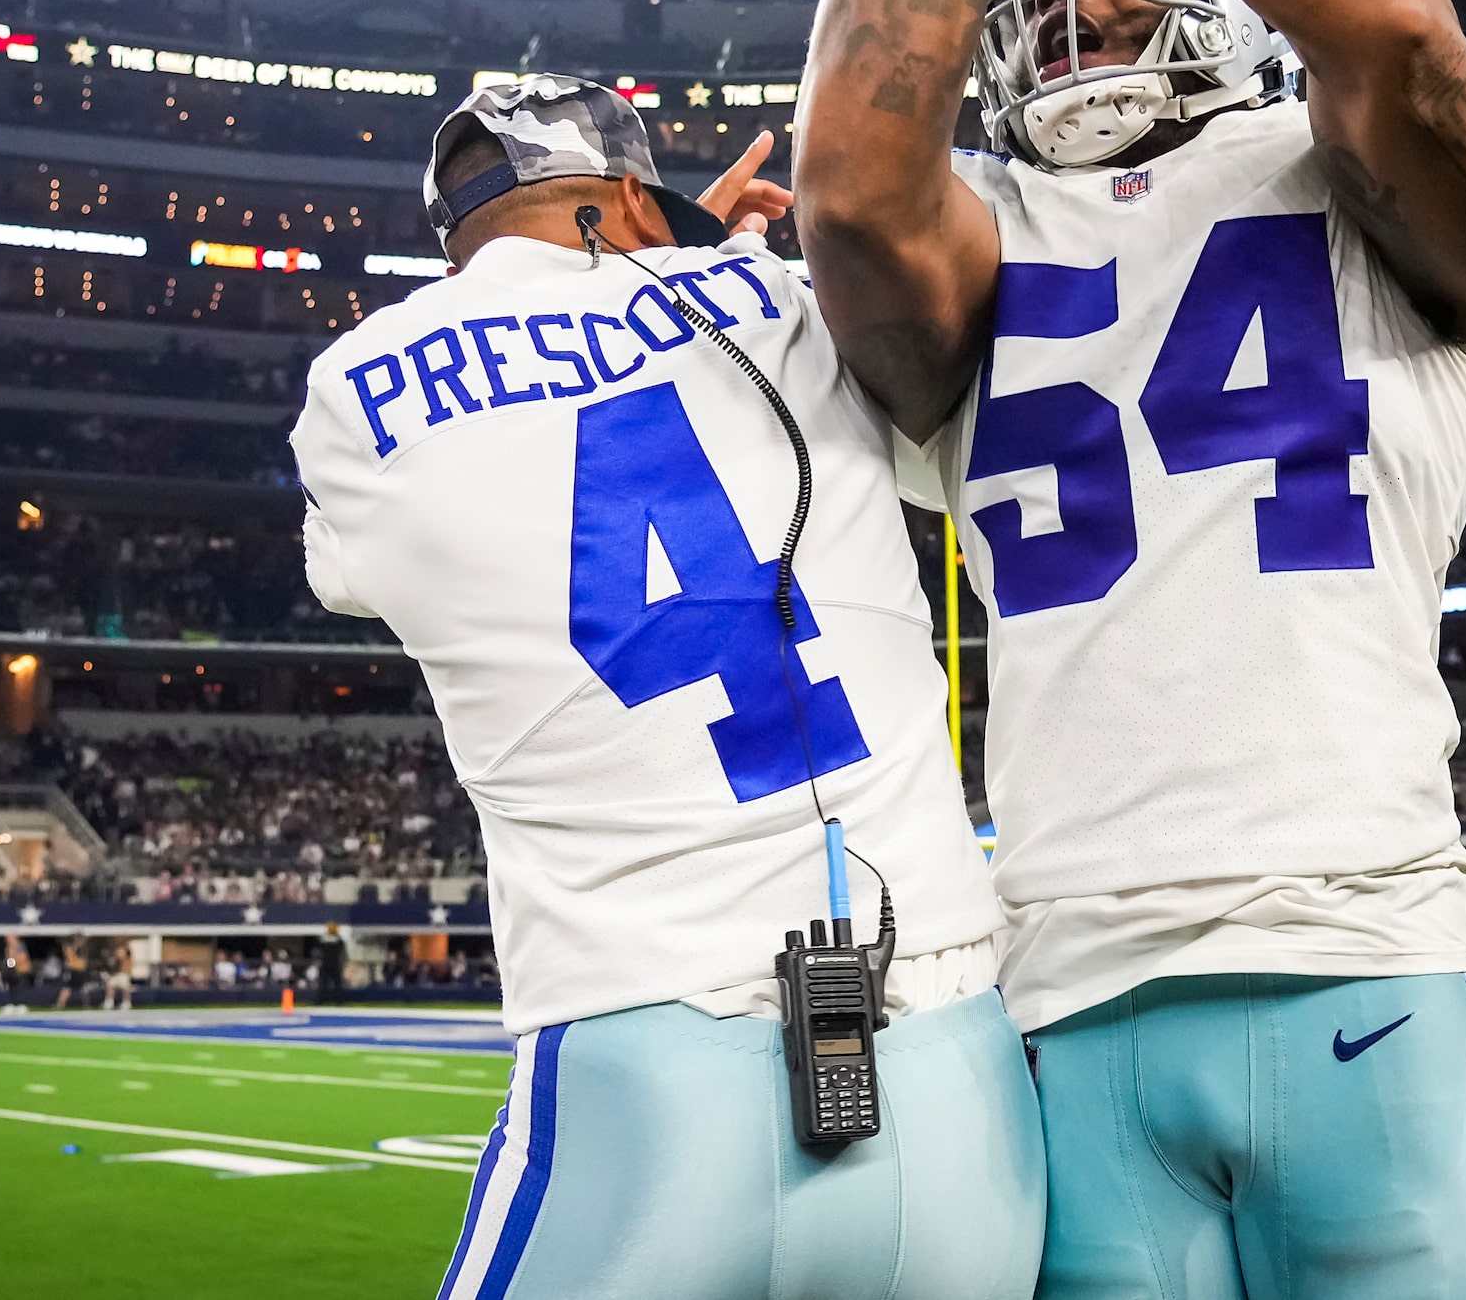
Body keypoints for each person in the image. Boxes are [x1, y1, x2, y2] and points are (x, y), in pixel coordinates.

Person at [794, 0, 1466, 1297]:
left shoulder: (1363, 174)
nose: (1065, 21)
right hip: (1061, 985)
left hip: (1349, 955)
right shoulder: (976, 241)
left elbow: (1381, 22)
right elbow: (842, 175)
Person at [291, 76, 1044, 1299]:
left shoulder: (356, 389)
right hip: (951, 1056)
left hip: (642, 1066)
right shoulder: (775, 303)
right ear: (631, 198)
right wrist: (700, 253)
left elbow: (355, 571)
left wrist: (644, 260)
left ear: (456, 234)